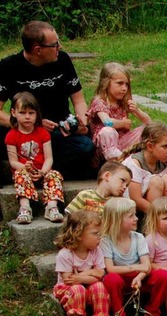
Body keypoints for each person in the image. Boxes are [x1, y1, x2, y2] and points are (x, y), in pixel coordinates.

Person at [0, 21, 95, 180]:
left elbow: (78, 101)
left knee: (85, 146)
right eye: (55, 44)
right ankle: (44, 167)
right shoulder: (8, 66)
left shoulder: (63, 60)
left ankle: (36, 168)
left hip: (58, 131)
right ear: (38, 50)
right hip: (25, 131)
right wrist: (32, 123)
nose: (60, 47)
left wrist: (82, 124)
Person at [100, 197, 167, 316]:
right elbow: (110, 269)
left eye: (135, 214)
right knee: (111, 279)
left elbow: (146, 266)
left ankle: (152, 313)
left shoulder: (138, 237)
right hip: (119, 281)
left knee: (164, 276)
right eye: (131, 216)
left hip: (139, 280)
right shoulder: (106, 241)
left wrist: (139, 276)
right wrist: (136, 267)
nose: (136, 218)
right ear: (117, 220)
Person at [5, 92, 64, 224]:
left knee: (55, 174)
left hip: (42, 170)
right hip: (25, 172)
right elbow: (13, 161)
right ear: (14, 113)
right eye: (22, 113)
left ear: (37, 114)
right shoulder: (11, 135)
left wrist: (43, 172)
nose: (27, 117)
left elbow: (49, 158)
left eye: (31, 113)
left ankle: (51, 207)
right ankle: (25, 208)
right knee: (20, 174)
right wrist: (25, 167)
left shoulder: (42, 133)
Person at [53, 210, 110, 316]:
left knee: (99, 287)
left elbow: (100, 274)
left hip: (87, 285)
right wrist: (90, 274)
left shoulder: (96, 251)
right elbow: (69, 280)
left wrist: (82, 276)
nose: (99, 237)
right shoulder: (65, 254)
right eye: (95, 234)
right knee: (78, 289)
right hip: (68, 289)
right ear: (78, 234)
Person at [87, 62, 152, 163]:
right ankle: (117, 161)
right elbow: (107, 122)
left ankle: (130, 160)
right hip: (104, 148)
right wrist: (123, 123)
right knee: (107, 131)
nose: (124, 88)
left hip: (122, 144)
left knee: (148, 129)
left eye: (127, 84)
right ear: (106, 83)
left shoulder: (123, 102)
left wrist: (137, 111)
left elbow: (149, 122)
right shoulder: (99, 101)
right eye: (120, 83)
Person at [121, 122, 167, 213]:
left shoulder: (165, 161)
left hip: (156, 207)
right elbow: (136, 199)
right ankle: (154, 220)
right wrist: (158, 213)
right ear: (150, 146)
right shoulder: (135, 164)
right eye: (165, 146)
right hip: (133, 208)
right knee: (156, 181)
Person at [65, 162, 132, 215]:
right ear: (107, 176)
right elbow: (69, 217)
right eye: (122, 180)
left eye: (127, 185)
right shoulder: (85, 195)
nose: (124, 187)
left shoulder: (119, 203)